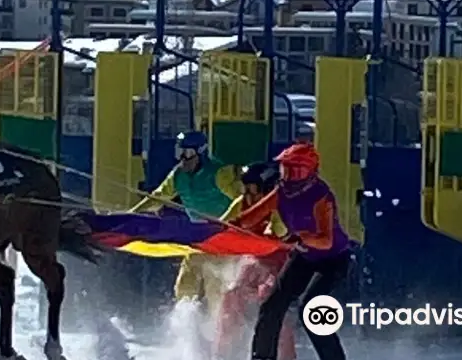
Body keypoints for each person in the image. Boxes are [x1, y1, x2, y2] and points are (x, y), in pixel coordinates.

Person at [231, 142, 351, 360]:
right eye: (286, 169)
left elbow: (326, 240)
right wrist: (231, 224)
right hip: (304, 255)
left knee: (311, 308)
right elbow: (253, 216)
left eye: (296, 170)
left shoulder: (321, 196)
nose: (289, 176)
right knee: (272, 305)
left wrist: (302, 236)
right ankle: (262, 357)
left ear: (309, 172)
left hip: (332, 260)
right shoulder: (281, 191)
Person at [131, 130, 237, 304]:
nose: (183, 159)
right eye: (179, 153)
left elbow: (240, 200)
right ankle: (187, 325)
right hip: (198, 238)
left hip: (222, 239)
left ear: (201, 153)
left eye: (188, 153)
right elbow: (158, 198)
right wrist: (132, 212)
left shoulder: (219, 173)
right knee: (185, 286)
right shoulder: (178, 175)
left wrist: (227, 220)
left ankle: (221, 328)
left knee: (216, 289)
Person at [216, 162, 294, 360]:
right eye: (246, 191)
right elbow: (220, 226)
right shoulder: (242, 203)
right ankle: (222, 353)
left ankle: (286, 356)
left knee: (271, 298)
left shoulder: (281, 206)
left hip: (281, 262)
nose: (249, 197)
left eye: (254, 191)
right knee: (232, 295)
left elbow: (281, 232)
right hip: (254, 260)